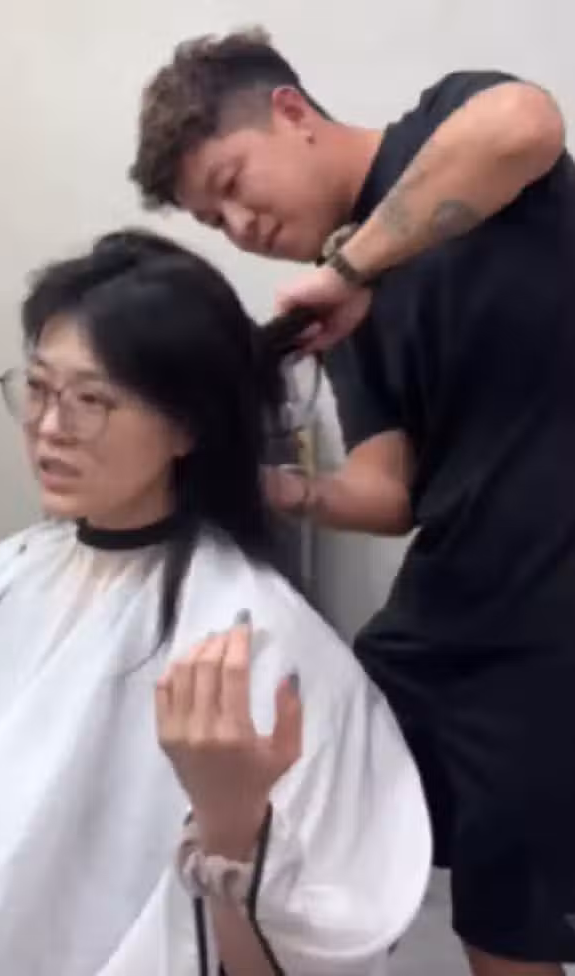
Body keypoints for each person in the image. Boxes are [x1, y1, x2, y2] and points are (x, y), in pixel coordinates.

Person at [0, 230, 430, 976]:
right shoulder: (18, 568)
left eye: (90, 400)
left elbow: (304, 956)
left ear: (186, 426)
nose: (48, 428)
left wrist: (232, 825)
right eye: (39, 389)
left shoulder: (253, 636)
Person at [130, 28, 575, 976]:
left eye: (233, 185)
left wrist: (354, 266)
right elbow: (389, 491)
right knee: (319, 753)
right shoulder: (345, 322)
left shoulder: (444, 125)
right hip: (460, 595)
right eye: (215, 221)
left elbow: (527, 126)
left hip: (552, 598)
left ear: (290, 112)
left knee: (507, 913)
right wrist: (260, 486)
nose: (240, 226)